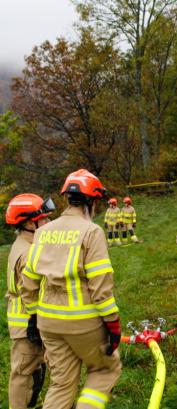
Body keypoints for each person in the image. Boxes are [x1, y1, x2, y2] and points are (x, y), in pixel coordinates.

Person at [20, 169, 122, 409]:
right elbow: (100, 285)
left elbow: (29, 281)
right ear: (92, 201)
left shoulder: (42, 232)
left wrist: (33, 316)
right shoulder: (91, 232)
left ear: (67, 199)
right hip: (83, 321)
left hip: (48, 322)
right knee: (105, 369)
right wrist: (113, 322)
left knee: (62, 382)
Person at [6, 193, 55, 409]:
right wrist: (36, 320)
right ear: (28, 222)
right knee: (23, 375)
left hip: (28, 323)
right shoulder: (27, 254)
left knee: (33, 371)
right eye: (44, 219)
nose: (48, 222)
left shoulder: (26, 244)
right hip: (27, 324)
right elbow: (32, 291)